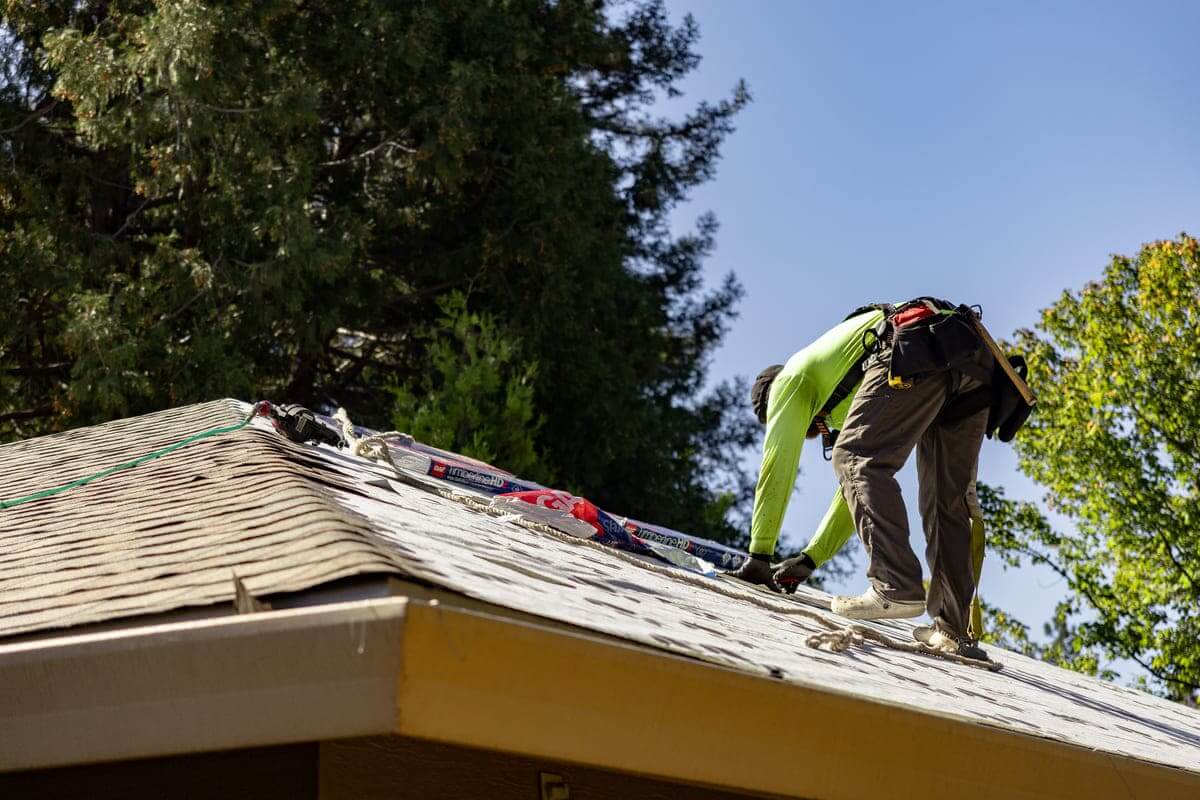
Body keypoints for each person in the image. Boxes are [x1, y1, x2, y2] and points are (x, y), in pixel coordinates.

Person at [729, 298, 995, 662]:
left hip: (915, 341)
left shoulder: (788, 381)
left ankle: (896, 584)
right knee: (943, 501)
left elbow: (779, 464)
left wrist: (760, 554)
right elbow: (854, 491)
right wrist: (810, 559)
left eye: (806, 429)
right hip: (970, 358)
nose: (816, 431)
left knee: (854, 456)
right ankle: (952, 630)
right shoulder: (841, 375)